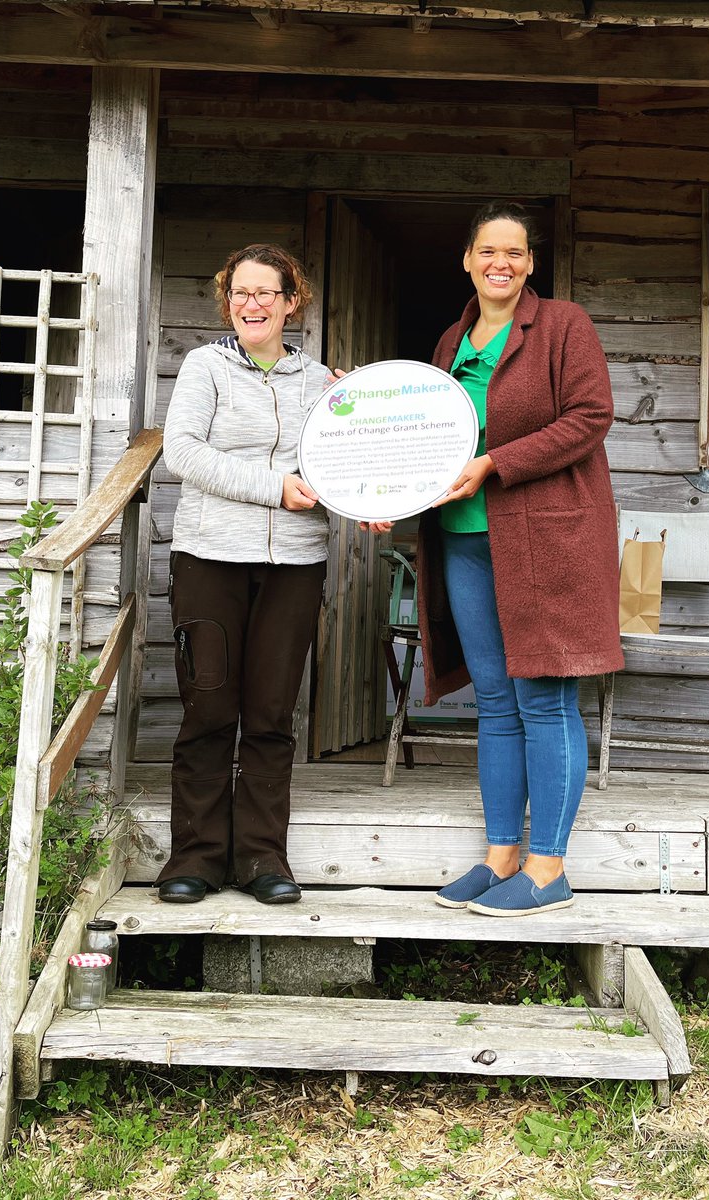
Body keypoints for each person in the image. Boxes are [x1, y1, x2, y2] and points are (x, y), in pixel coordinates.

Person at [368, 201, 624, 916]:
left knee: (544, 697)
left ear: (531, 263)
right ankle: (501, 854)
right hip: (464, 539)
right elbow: (428, 435)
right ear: (468, 260)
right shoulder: (451, 339)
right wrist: (386, 489)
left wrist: (495, 463)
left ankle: (548, 869)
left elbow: (589, 417)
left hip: (545, 540)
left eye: (513, 252)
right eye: (487, 252)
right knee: (496, 703)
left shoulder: (564, 325)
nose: (500, 264)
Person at [156, 243, 334, 906]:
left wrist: (371, 500)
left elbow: (336, 465)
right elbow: (183, 453)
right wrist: (272, 488)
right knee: (209, 708)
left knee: (268, 714)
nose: (251, 304)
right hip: (209, 559)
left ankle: (263, 857)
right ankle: (195, 858)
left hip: (295, 564)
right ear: (227, 302)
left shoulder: (320, 383)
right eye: (240, 293)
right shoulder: (205, 367)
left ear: (293, 302)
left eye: (266, 293)